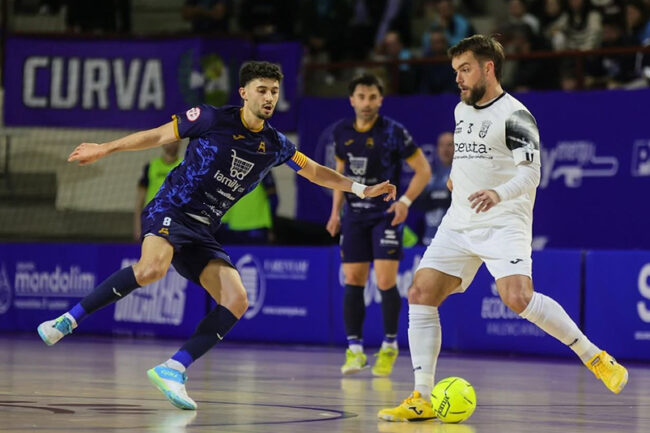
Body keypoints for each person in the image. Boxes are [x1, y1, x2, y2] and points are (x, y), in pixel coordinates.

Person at [36, 61, 396, 411]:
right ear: (244, 93)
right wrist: (105, 148)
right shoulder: (210, 118)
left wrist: (361, 190)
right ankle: (67, 320)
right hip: (172, 208)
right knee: (152, 269)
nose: (269, 97)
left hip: (202, 229)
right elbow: (159, 135)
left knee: (237, 299)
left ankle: (173, 368)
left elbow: (315, 171)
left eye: (274, 91)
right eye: (261, 90)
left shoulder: (275, 144)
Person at [378, 35, 628, 422]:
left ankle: (594, 356)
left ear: (488, 68)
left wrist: (498, 193)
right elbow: (469, 154)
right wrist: (457, 177)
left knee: (517, 297)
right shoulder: (461, 110)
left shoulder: (516, 116)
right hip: (460, 220)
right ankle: (421, 396)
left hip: (504, 220)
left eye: (465, 69)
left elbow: (531, 173)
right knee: (420, 292)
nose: (458, 78)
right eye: (455, 71)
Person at [325, 73, 431, 377]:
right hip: (354, 215)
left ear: (380, 100)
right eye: (361, 97)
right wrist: (335, 213)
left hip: (385, 215)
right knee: (353, 279)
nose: (367, 103)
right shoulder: (341, 131)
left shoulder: (393, 131)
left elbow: (423, 170)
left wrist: (405, 202)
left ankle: (389, 345)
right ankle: (355, 351)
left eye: (372, 97)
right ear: (352, 100)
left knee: (385, 281)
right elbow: (339, 177)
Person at [133, 141, 183, 241]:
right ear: (163, 143)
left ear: (179, 143)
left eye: (175, 141)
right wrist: (137, 226)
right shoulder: (151, 166)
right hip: (152, 219)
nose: (172, 144)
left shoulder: (184, 166)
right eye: (169, 141)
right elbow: (140, 200)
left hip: (175, 221)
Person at [412, 131, 453, 246]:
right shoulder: (429, 172)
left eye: (450, 145)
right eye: (441, 145)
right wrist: (443, 197)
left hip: (452, 239)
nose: (445, 149)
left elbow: (458, 200)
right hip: (429, 238)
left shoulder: (460, 172)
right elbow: (416, 201)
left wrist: (432, 197)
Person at [217, 171, 278, 244]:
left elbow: (273, 198)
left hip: (255, 225)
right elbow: (273, 199)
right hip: (229, 226)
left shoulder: (262, 167)